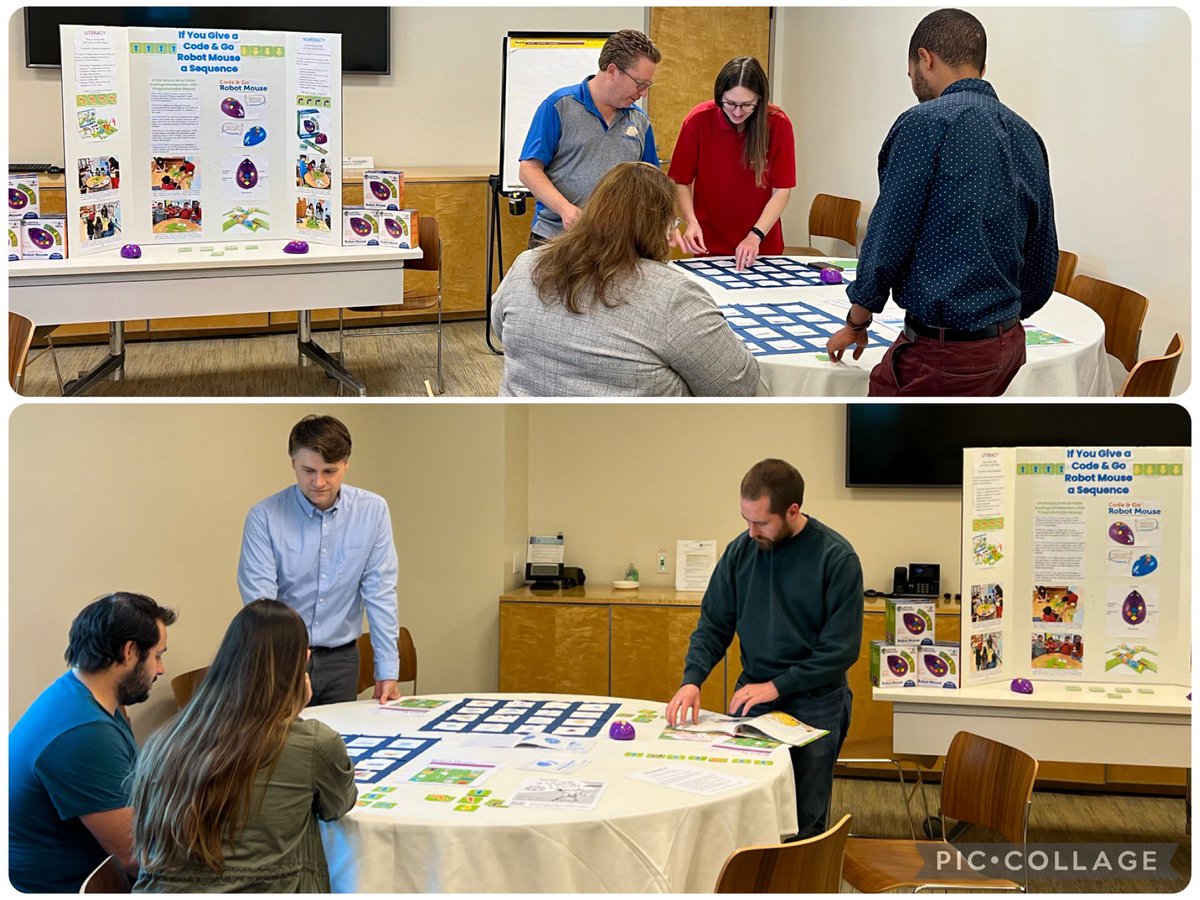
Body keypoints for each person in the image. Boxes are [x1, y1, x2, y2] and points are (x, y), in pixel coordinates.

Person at [826, 8, 1058, 396]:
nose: (911, 78)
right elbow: (1042, 253)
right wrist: (1004, 317)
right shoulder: (1026, 135)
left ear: (925, 58)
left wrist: (857, 319)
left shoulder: (924, 123)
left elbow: (889, 232)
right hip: (1008, 348)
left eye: (911, 67)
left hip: (944, 353)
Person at [665, 459, 863, 839]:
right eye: (746, 520)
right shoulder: (741, 551)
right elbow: (713, 625)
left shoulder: (836, 558)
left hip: (816, 700)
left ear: (792, 511)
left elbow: (839, 650)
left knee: (804, 813)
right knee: (743, 801)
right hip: (754, 694)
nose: (751, 531)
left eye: (761, 523)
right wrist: (692, 680)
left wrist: (777, 686)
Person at [129, 600, 356, 891]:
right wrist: (293, 712)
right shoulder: (314, 743)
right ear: (303, 661)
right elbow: (338, 805)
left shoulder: (162, 740)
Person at [492, 162, 760, 397]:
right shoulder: (673, 295)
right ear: (660, 225)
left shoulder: (527, 263)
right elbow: (736, 386)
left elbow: (500, 327)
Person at [8, 592, 176, 892]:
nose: (160, 669)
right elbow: (138, 857)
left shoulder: (80, 695)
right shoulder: (84, 733)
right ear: (129, 652)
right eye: (158, 655)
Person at [238, 414, 402, 705]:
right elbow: (261, 604)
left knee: (340, 744)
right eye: (308, 470)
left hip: (343, 659)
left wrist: (387, 670)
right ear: (292, 463)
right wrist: (286, 658)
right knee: (287, 746)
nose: (319, 481)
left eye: (330, 470)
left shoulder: (372, 511)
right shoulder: (264, 517)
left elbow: (380, 593)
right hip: (283, 658)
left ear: (346, 463)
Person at [519, 29, 661, 247]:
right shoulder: (559, 106)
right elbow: (529, 170)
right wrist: (566, 210)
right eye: (639, 83)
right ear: (612, 71)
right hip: (556, 241)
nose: (643, 93)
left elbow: (651, 182)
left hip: (614, 247)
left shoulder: (640, 120)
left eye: (647, 86)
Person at [669, 56, 796, 270]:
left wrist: (755, 235)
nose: (737, 112)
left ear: (760, 100)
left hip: (760, 245)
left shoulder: (778, 124)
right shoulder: (698, 121)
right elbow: (681, 181)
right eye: (730, 103)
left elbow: (781, 190)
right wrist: (691, 221)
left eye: (747, 105)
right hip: (708, 244)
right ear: (719, 96)